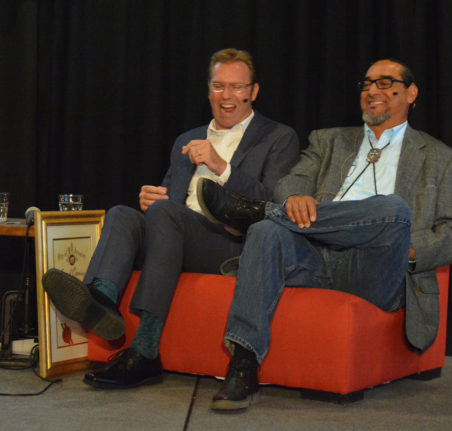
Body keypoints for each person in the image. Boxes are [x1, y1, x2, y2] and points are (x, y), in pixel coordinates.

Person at [197, 58, 452, 411]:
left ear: (412, 93)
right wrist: (294, 197)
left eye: (385, 83)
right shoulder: (328, 140)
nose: (372, 90)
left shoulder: (438, 157)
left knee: (394, 209)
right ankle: (243, 365)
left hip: (376, 268)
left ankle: (258, 211)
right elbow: (292, 181)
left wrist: (411, 250)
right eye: (367, 84)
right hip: (315, 254)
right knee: (267, 232)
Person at [41, 48, 299, 389]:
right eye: (219, 86)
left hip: (229, 245)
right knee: (122, 214)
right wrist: (153, 201)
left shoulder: (278, 137)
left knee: (165, 215)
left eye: (237, 87)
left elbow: (272, 204)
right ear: (208, 90)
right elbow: (168, 202)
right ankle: (101, 300)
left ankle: (145, 348)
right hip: (174, 235)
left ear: (253, 91)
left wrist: (222, 166)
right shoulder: (186, 140)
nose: (227, 96)